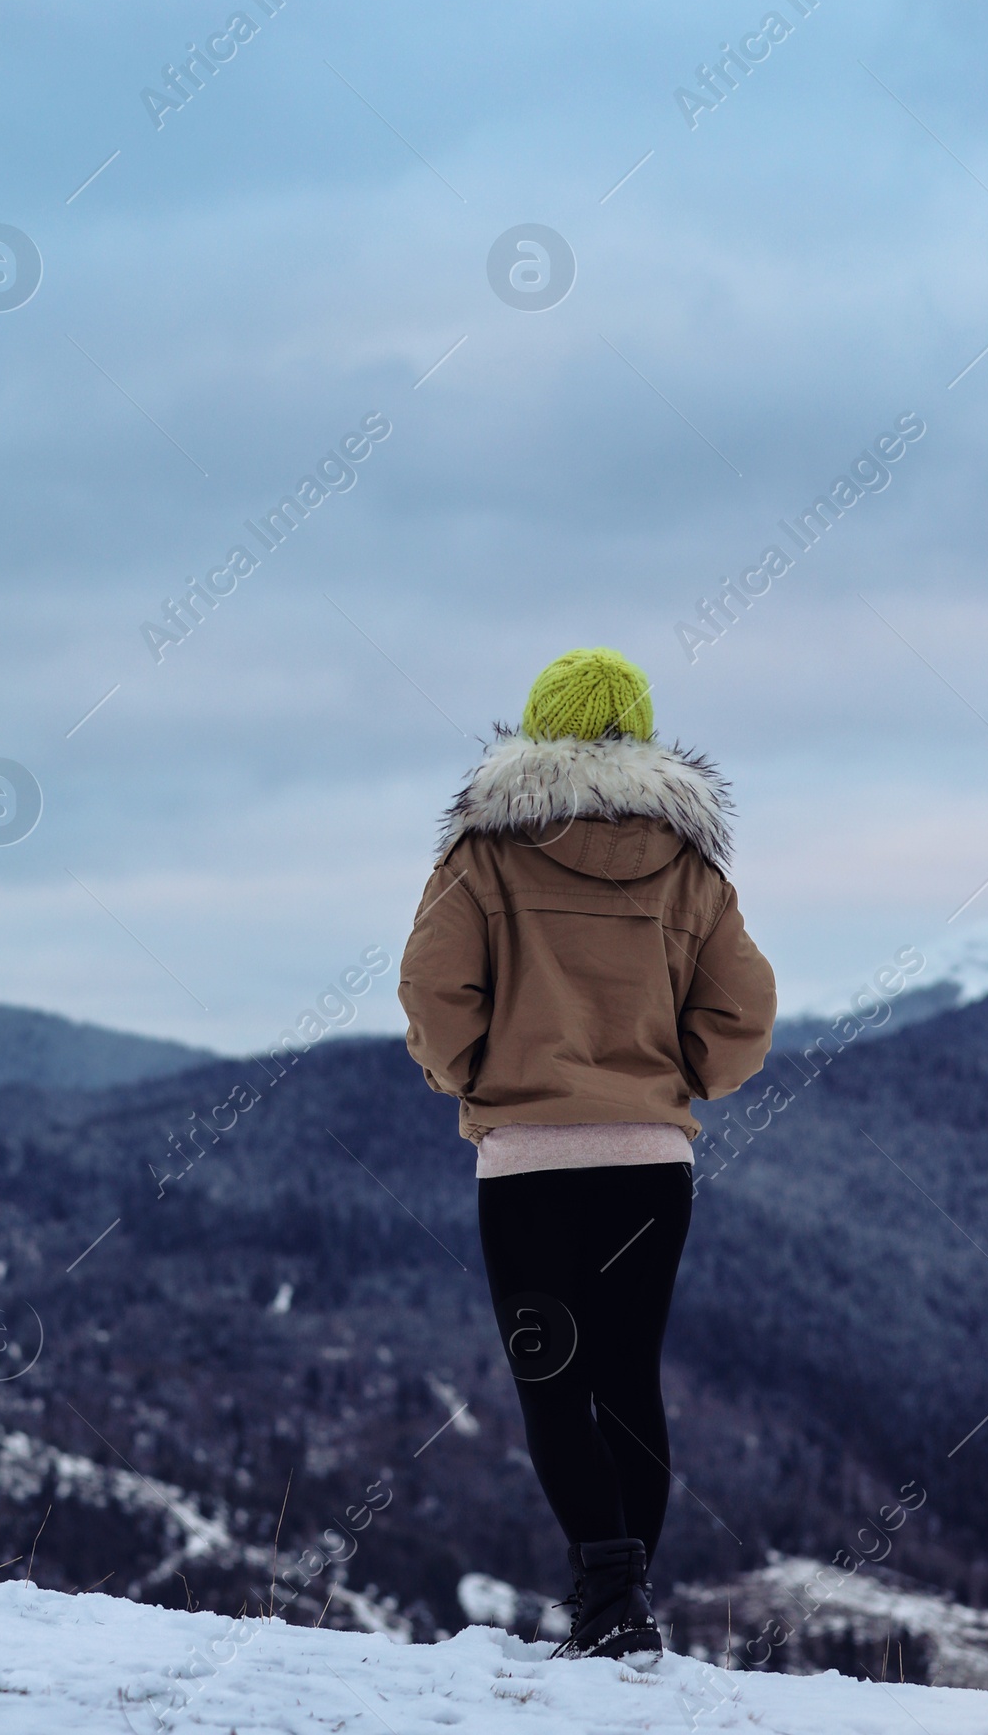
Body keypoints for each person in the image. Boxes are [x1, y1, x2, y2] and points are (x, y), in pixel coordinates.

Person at [398, 647, 776, 1661]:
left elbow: (435, 998)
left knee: (552, 1381)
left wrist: (471, 1077)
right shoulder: (692, 869)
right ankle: (623, 1606)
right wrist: (676, 1074)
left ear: (533, 730)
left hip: (527, 1163)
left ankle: (607, 1600)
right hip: (650, 1162)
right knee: (628, 1377)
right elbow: (742, 1014)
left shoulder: (480, 858)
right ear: (644, 738)